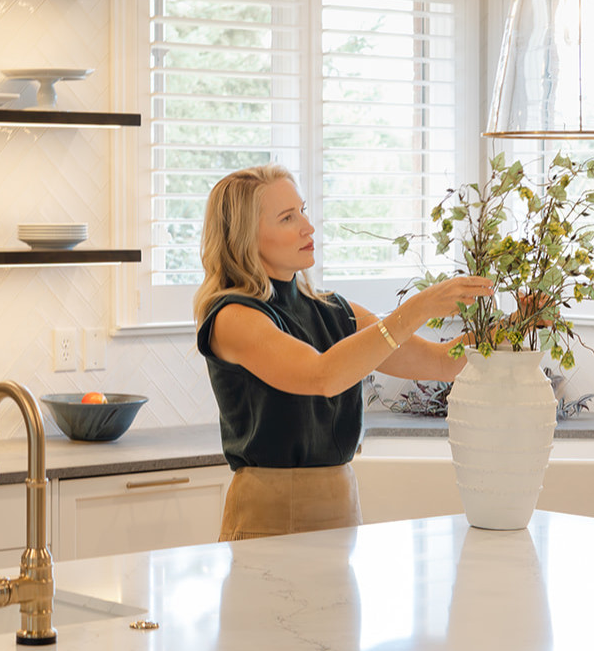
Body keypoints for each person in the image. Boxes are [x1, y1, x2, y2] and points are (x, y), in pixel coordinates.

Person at [194, 165, 492, 541]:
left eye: (302, 210)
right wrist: (418, 309)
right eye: (288, 218)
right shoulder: (234, 317)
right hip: (267, 513)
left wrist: (515, 327)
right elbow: (323, 376)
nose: (308, 227)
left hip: (340, 503)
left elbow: (440, 363)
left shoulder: (332, 309)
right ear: (244, 238)